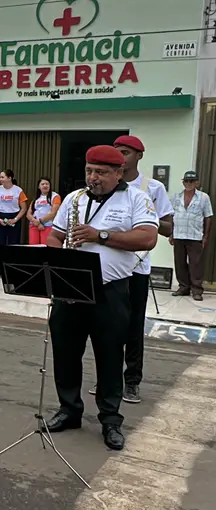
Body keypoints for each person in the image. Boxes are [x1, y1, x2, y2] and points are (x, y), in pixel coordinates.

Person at [44, 145, 159, 452]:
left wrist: (100, 235)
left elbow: (148, 237)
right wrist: (60, 265)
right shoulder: (74, 199)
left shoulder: (136, 198)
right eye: (89, 171)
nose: (92, 178)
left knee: (110, 356)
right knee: (65, 353)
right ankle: (69, 410)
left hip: (110, 290)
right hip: (70, 288)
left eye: (101, 173)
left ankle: (110, 419)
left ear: (118, 173)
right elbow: (54, 236)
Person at [107, 135, 173, 404]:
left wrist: (144, 219)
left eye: (126, 152)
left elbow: (168, 226)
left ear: (139, 156)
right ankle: (108, 379)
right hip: (109, 266)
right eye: (117, 152)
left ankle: (131, 381)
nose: (121, 157)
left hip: (137, 266)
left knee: (133, 326)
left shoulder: (152, 187)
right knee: (108, 326)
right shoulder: (108, 184)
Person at [170, 170, 212, 301]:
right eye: (186, 181)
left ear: (197, 182)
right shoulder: (176, 196)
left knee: (196, 264)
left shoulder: (203, 197)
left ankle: (197, 290)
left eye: (192, 181)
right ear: (183, 182)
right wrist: (171, 233)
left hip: (195, 235)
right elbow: (171, 215)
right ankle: (183, 287)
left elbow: (208, 216)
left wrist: (205, 236)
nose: (189, 183)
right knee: (179, 262)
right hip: (179, 234)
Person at [0, 169, 27, 278]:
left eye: (3, 177)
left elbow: (23, 208)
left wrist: (15, 219)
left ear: (10, 178)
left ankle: (11, 270)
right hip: (0, 216)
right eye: (0, 177)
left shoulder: (18, 191)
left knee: (13, 244)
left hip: (14, 216)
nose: (1, 179)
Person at [26, 177, 60, 245]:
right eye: (42, 184)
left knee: (45, 246)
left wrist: (40, 221)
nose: (45, 185)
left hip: (47, 225)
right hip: (34, 225)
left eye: (47, 184)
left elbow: (53, 213)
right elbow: (28, 214)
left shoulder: (55, 196)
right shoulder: (36, 198)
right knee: (33, 246)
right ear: (39, 186)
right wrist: (36, 222)